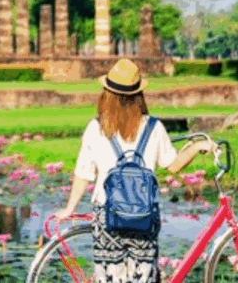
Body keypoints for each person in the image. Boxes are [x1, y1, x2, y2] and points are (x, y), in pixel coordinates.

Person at [53, 59, 217, 283]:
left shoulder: (96, 128)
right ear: (139, 95)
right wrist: (196, 147)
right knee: (143, 276)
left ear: (107, 94)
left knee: (109, 278)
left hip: (107, 214)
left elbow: (83, 173)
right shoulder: (154, 127)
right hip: (144, 215)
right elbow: (173, 165)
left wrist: (69, 208)